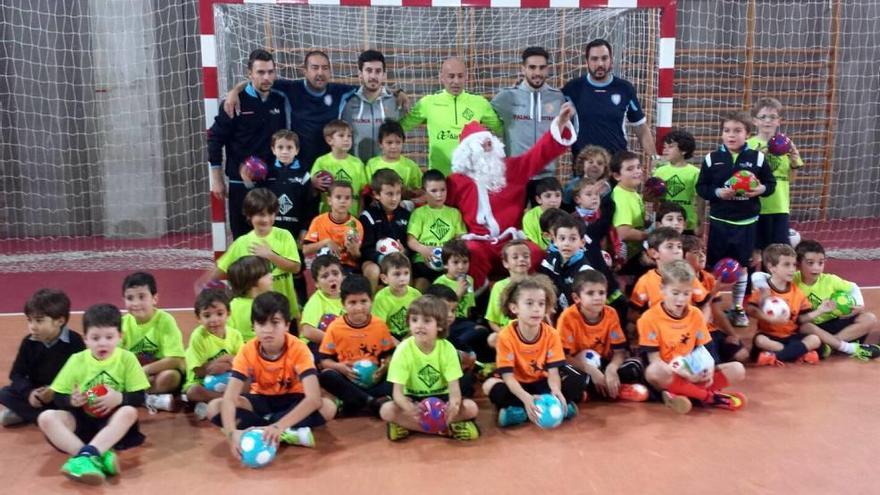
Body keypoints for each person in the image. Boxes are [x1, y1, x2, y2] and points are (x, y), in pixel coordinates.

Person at [445, 102, 578, 289]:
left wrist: (560, 125)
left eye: (490, 140)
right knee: (469, 252)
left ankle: (528, 298)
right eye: (482, 143)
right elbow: (439, 206)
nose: (489, 145)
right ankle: (478, 304)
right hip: (479, 242)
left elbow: (538, 154)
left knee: (535, 253)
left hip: (511, 240)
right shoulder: (456, 181)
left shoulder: (511, 169)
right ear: (468, 151)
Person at [208, 292, 337, 455]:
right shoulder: (247, 350)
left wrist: (278, 425)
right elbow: (230, 397)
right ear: (253, 326)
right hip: (262, 400)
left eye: (275, 323)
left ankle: (267, 429)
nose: (268, 330)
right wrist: (232, 434)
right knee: (214, 407)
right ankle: (286, 433)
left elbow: (313, 398)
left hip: (293, 399)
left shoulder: (299, 349)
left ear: (287, 325)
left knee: (328, 407)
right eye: (261, 324)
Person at [38, 303, 150, 484]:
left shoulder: (127, 359)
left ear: (120, 337)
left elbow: (139, 396)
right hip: (83, 421)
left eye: (109, 337)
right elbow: (58, 397)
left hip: (113, 424)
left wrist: (118, 398)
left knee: (130, 412)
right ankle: (92, 455)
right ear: (86, 339)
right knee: (46, 418)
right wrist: (71, 401)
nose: (102, 342)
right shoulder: (77, 360)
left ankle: (87, 457)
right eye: (96, 338)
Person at [696, 110, 776, 328]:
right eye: (727, 131)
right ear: (721, 134)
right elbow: (701, 187)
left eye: (737, 131)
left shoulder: (757, 158)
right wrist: (717, 193)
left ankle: (738, 307)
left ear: (747, 134)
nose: (731, 135)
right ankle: (710, 304)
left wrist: (760, 189)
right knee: (714, 266)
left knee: (742, 267)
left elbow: (770, 185)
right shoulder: (712, 159)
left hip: (746, 223)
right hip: (719, 222)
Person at [639, 261, 747, 415]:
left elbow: (706, 350)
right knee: (654, 371)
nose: (681, 300)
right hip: (670, 371)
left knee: (737, 369)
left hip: (693, 367)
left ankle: (683, 394)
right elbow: (655, 360)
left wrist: (707, 370)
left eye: (686, 293)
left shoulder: (696, 314)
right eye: (675, 293)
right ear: (663, 289)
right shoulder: (648, 318)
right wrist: (686, 374)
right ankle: (708, 397)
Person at [209, 49, 291, 239]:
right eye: (260, 72)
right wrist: (217, 178)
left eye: (270, 72)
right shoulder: (234, 103)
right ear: (250, 73)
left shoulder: (280, 98)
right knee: (243, 239)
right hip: (241, 182)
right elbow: (215, 139)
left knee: (271, 238)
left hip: (272, 180)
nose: (266, 77)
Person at [225, 50, 357, 169]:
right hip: (297, 166)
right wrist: (235, 91)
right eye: (315, 68)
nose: (320, 73)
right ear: (304, 71)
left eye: (325, 68)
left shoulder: (340, 91)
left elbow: (367, 89)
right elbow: (259, 82)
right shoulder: (291, 89)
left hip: (329, 166)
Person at [481, 275, 584, 427]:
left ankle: (525, 410)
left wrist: (556, 390)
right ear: (514, 307)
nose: (536, 309)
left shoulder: (552, 334)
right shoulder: (505, 336)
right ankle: (529, 407)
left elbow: (554, 372)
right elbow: (508, 377)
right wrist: (525, 397)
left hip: (543, 381)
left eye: (541, 304)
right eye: (529, 303)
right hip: (517, 384)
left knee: (578, 378)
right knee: (489, 386)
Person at [750, 240, 880, 360]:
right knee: (806, 328)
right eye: (810, 263)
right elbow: (760, 275)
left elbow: (853, 287)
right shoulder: (792, 279)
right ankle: (843, 347)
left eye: (821, 263)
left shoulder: (830, 280)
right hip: (809, 326)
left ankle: (830, 345)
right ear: (799, 265)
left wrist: (859, 305)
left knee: (869, 318)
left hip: (831, 322)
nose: (816, 268)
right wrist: (763, 288)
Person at [381, 295, 480, 441]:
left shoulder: (448, 349)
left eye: (426, 321)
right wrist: (410, 409)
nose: (419, 325)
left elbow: (454, 391)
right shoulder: (402, 350)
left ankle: (408, 426)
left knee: (471, 408)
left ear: (439, 325)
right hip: (414, 400)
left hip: (442, 398)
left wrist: (454, 405)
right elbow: (398, 394)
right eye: (414, 320)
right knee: (386, 410)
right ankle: (445, 429)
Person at [205, 188, 303, 321]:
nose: (266, 219)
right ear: (249, 215)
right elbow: (221, 268)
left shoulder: (284, 236)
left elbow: (295, 268)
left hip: (284, 309)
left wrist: (270, 255)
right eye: (261, 215)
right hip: (255, 313)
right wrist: (204, 284)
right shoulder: (242, 243)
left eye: (270, 214)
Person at [400, 57, 502, 175]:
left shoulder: (480, 103)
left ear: (466, 77)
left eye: (460, 76)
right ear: (442, 77)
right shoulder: (428, 103)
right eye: (451, 76)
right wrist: (394, 96)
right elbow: (401, 126)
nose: (456, 81)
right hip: (439, 179)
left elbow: (503, 130)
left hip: (471, 177)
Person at [557, 271, 648, 402]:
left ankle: (598, 390)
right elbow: (563, 357)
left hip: (604, 364)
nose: (597, 297)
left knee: (635, 366)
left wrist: (612, 369)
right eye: (590, 293)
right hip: (580, 366)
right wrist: (592, 371)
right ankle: (613, 390)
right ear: (577, 298)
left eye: (601, 293)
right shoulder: (567, 317)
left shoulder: (611, 314)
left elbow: (619, 352)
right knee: (571, 377)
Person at [491, 46, 570, 197]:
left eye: (542, 68)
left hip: (547, 177)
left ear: (547, 69)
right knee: (513, 220)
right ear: (523, 69)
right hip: (516, 175)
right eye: (532, 67)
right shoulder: (506, 97)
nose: (537, 73)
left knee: (547, 220)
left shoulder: (557, 98)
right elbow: (483, 118)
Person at [1, 289, 84, 427]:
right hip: (38, 394)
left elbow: (82, 375)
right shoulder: (29, 342)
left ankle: (30, 415)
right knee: (4, 393)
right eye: (29, 320)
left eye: (39, 321)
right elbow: (16, 374)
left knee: (81, 399)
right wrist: (30, 393)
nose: (32, 327)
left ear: (60, 320)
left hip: (61, 394)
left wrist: (54, 390)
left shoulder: (75, 341)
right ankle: (47, 418)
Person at [562, 39, 655, 159]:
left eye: (604, 58)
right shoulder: (573, 88)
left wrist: (655, 158)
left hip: (616, 166)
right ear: (587, 61)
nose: (600, 64)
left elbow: (641, 128)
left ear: (611, 60)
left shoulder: (624, 88)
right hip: (584, 167)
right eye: (594, 59)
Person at [318, 275, 396, 417]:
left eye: (363, 301)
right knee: (326, 376)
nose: (359, 307)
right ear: (343, 304)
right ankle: (371, 402)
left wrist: (385, 367)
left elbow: (389, 355)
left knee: (397, 377)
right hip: (349, 379)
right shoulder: (335, 327)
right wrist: (340, 367)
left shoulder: (380, 325)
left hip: (376, 380)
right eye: (352, 302)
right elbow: (324, 361)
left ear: (371, 301)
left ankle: (354, 401)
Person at [746, 244, 821, 366]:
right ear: (771, 267)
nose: (792, 269)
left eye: (794, 265)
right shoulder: (764, 289)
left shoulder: (797, 292)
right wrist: (770, 319)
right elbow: (750, 310)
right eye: (786, 265)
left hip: (791, 336)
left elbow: (802, 318)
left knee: (815, 339)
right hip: (769, 336)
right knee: (760, 341)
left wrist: (820, 311)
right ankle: (799, 354)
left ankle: (774, 357)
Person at [120, 272, 185, 412]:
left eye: (142, 297)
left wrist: (146, 370)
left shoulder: (166, 320)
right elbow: (115, 358)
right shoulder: (122, 324)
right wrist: (135, 375)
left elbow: (175, 359)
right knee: (97, 389)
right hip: (133, 375)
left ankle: (129, 398)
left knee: (171, 376)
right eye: (130, 298)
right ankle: (148, 399)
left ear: (154, 298)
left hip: (157, 373)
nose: (136, 303)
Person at [747, 97, 804, 256]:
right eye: (763, 117)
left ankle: (773, 280)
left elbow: (791, 179)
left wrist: (793, 162)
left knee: (777, 253)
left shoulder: (787, 144)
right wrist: (757, 159)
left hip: (779, 206)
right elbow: (744, 176)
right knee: (754, 252)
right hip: (755, 206)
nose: (768, 121)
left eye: (772, 117)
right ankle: (753, 280)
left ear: (779, 121)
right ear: (754, 121)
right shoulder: (748, 145)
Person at [539, 213, 623, 319]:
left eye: (572, 239)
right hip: (560, 321)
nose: (566, 243)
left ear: (582, 242)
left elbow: (593, 309)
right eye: (562, 238)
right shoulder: (550, 261)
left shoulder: (586, 272)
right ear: (554, 241)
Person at [682, 235, 747, 363]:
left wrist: (732, 334)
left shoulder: (709, 278)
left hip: (711, 330)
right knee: (711, 363)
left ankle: (712, 358)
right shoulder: (683, 279)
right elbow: (700, 309)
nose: (702, 255)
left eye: (703, 251)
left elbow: (717, 312)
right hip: (694, 332)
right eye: (695, 252)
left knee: (742, 354)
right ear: (683, 257)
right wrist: (716, 290)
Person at [183, 289, 244, 415]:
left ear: (228, 313)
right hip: (201, 382)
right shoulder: (198, 337)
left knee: (250, 381)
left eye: (219, 314)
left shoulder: (235, 335)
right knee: (192, 392)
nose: (214, 320)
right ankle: (228, 400)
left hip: (227, 378)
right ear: (198, 318)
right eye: (207, 315)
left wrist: (227, 365)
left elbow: (242, 364)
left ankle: (214, 401)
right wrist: (220, 361)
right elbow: (198, 371)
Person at [432, 240, 493, 364]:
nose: (461, 266)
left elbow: (469, 308)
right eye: (455, 262)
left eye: (465, 262)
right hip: (448, 322)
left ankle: (477, 361)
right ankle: (455, 348)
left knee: (482, 332)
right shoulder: (440, 283)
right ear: (445, 265)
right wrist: (458, 293)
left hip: (464, 321)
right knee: (477, 331)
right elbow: (439, 312)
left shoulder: (469, 279)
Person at [407, 170, 467, 291]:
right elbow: (411, 240)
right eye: (434, 191)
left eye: (442, 190)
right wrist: (423, 249)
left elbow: (461, 238)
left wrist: (450, 251)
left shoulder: (454, 213)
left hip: (448, 263)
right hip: (424, 261)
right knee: (421, 285)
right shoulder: (419, 213)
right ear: (424, 192)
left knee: (454, 285)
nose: (439, 195)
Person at [339, 50, 403, 162]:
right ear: (360, 74)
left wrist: (399, 92)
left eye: (378, 71)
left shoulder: (396, 101)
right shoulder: (347, 102)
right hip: (357, 170)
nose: (373, 76)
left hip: (385, 171)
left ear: (384, 75)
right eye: (368, 71)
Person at [359, 169, 411, 291]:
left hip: (398, 260)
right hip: (375, 261)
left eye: (397, 193)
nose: (394, 198)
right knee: (372, 270)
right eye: (389, 194)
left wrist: (405, 252)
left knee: (406, 264)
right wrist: (382, 258)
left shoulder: (406, 215)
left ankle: (406, 303)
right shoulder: (368, 216)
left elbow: (409, 243)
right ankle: (369, 304)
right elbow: (365, 249)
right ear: (376, 194)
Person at [302, 181, 364, 272]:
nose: (343, 201)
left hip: (346, 267)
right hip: (323, 266)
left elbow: (357, 257)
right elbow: (305, 250)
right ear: (329, 200)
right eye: (338, 197)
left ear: (351, 202)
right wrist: (326, 242)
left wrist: (354, 250)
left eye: (347, 198)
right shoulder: (318, 221)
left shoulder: (356, 224)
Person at [311, 119, 368, 217]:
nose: (346, 139)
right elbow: (313, 189)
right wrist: (313, 183)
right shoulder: (321, 162)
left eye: (349, 136)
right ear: (329, 140)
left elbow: (362, 193)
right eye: (341, 136)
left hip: (352, 215)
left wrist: (360, 213)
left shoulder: (357, 163)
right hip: (327, 215)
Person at [652, 129, 703, 234]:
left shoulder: (695, 172)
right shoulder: (659, 171)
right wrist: (656, 219)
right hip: (665, 223)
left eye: (670, 147)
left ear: (684, 150)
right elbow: (655, 200)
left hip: (686, 224)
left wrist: (700, 223)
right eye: (665, 147)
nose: (665, 150)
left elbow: (700, 200)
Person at [610, 150, 648, 276]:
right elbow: (623, 233)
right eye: (630, 169)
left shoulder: (632, 192)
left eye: (638, 167)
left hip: (634, 253)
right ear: (617, 176)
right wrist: (652, 234)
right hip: (626, 260)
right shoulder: (621, 197)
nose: (637, 171)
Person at [486, 240, 532, 339]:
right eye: (515, 257)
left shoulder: (537, 285)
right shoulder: (499, 287)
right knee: (493, 339)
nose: (521, 260)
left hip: (532, 330)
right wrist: (504, 333)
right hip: (508, 332)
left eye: (526, 256)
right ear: (505, 263)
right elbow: (492, 320)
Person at [364, 120, 423, 196]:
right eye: (389, 142)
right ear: (380, 143)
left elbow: (419, 190)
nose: (394, 147)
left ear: (403, 142)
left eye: (398, 142)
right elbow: (368, 190)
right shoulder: (371, 164)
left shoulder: (411, 166)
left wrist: (407, 193)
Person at [299, 255, 345, 351]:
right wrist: (338, 342)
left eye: (335, 274)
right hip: (314, 346)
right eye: (325, 276)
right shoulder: (315, 302)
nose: (331, 279)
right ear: (317, 283)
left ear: (343, 277)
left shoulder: (349, 297)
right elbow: (308, 331)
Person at [372, 253, 422, 340]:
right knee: (381, 341)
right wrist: (396, 344)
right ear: (384, 278)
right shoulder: (381, 298)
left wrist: (408, 338)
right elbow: (379, 328)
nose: (402, 278)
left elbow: (421, 321)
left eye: (406, 273)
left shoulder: (416, 295)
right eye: (397, 274)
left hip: (411, 334)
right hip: (389, 335)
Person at [226, 256, 274, 342]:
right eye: (266, 274)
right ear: (253, 282)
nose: (271, 276)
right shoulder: (232, 308)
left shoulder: (272, 303)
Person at [522, 177, 563, 250]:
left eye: (557, 195)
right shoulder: (530, 217)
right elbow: (531, 243)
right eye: (548, 196)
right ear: (538, 199)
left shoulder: (564, 216)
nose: (553, 200)